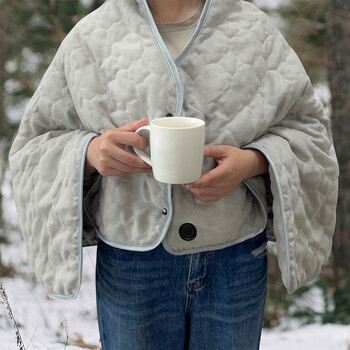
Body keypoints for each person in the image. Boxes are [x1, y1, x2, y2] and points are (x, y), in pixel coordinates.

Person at [9, 0, 339, 349]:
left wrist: (254, 161)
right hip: (132, 260)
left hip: (234, 257)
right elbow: (35, 142)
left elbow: (310, 132)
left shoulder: (254, 29)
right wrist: (90, 153)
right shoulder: (92, 34)